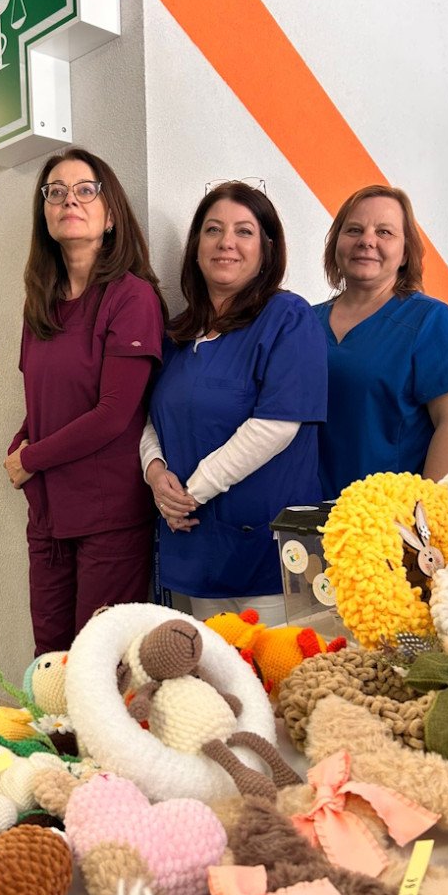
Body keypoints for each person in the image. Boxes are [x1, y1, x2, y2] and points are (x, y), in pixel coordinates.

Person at [142, 181, 327, 626]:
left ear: (266, 249)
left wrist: (190, 493)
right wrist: (155, 472)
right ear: (196, 247)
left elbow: (277, 426)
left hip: (268, 556)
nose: (226, 242)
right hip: (195, 548)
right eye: (213, 229)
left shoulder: (288, 318)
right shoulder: (177, 333)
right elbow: (150, 418)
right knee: (209, 669)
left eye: (244, 231)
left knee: (280, 669)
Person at [3, 148, 166, 654]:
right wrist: (19, 443)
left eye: (85, 190)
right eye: (55, 192)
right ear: (45, 215)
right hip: (48, 516)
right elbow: (43, 401)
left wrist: (31, 457)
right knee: (50, 662)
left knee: (98, 664)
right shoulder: (41, 304)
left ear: (110, 214)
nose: (68, 201)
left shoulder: (131, 297)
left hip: (108, 518)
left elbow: (113, 414)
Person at [314, 184, 448, 499]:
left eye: (385, 232)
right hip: (304, 511)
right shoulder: (304, 322)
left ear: (405, 252)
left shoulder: (430, 320)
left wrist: (425, 512)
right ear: (336, 243)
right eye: (354, 230)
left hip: (387, 517)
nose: (367, 240)